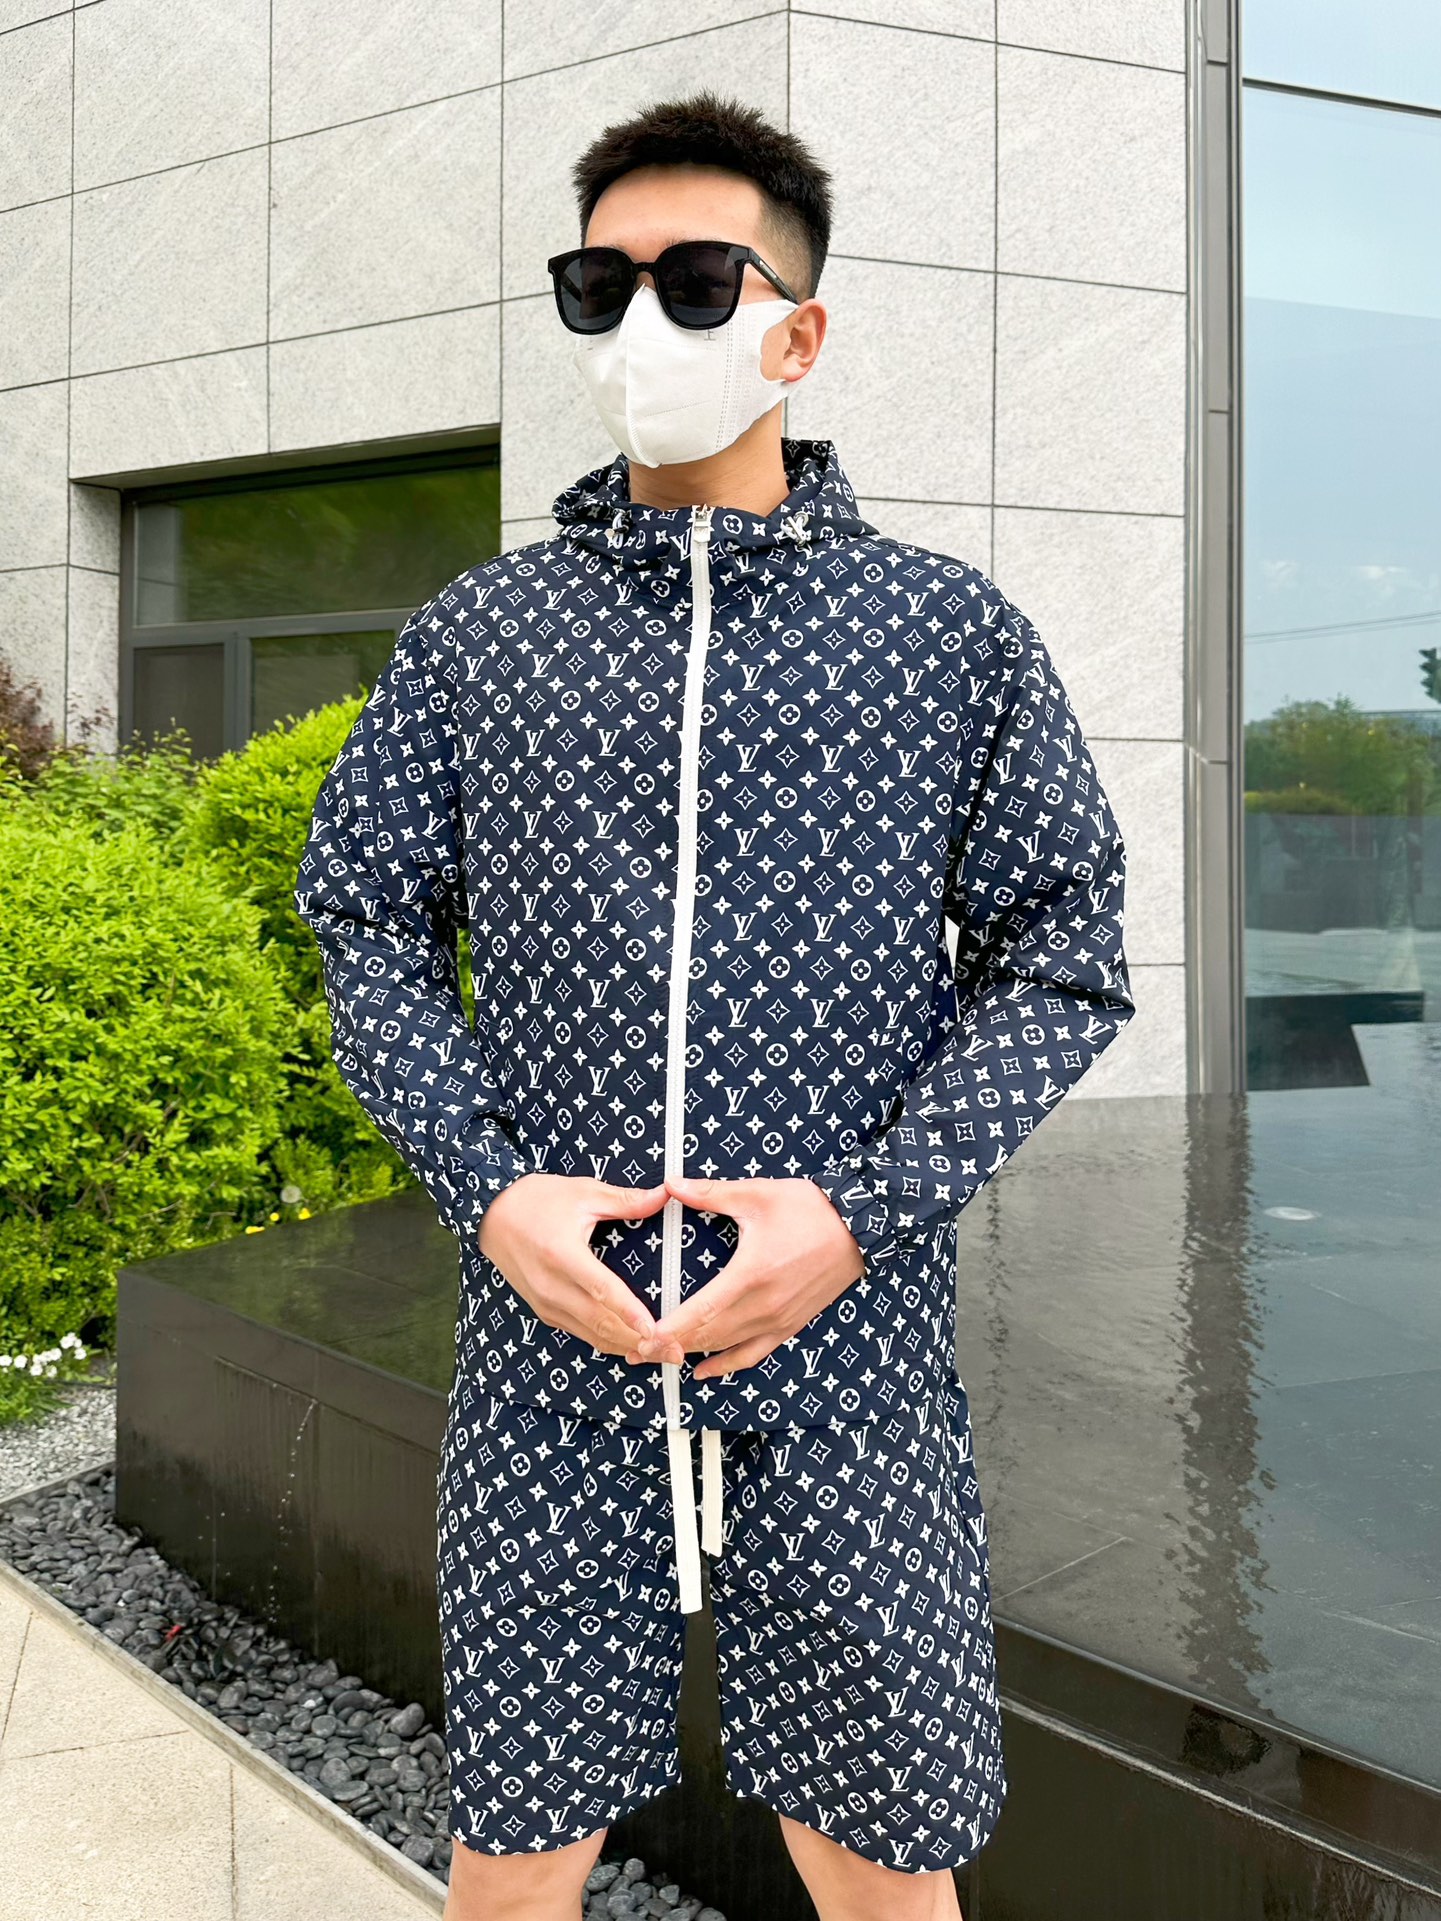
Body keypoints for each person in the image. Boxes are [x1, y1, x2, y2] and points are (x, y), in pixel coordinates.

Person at [294, 87, 1134, 1921]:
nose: (641, 322)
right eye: (599, 286)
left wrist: (860, 1214)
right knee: (512, 1857)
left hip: (846, 1354)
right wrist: (490, 1190)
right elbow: (360, 917)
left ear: (795, 334)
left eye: (694, 280)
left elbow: (1065, 947)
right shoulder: (480, 635)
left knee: (888, 1863)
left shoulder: (942, 634)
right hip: (548, 1351)